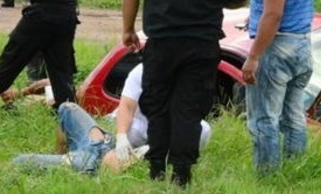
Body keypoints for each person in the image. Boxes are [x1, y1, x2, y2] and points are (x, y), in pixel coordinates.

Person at [120, 0, 249, 187]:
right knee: (188, 109)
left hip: (161, 44)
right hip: (201, 47)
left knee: (158, 105)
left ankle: (156, 168)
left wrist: (128, 30)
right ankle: (182, 174)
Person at [229, 0, 315, 175]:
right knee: (293, 115)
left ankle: (267, 176)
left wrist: (253, 56)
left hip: (277, 48)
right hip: (301, 45)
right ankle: (295, 169)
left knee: (264, 118)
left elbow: (274, 14)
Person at [11, 63, 213, 174]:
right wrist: (121, 135)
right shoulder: (143, 71)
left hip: (99, 157)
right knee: (67, 108)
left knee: (19, 161)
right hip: (104, 139)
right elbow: (126, 105)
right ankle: (64, 154)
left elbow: (125, 164)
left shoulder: (197, 130)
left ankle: (67, 161)